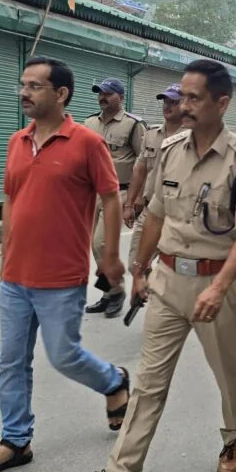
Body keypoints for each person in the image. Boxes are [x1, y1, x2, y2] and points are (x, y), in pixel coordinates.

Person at [62, 59, 236, 472]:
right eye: (183, 97)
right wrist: (139, 269)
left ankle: (235, 436)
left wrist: (220, 286)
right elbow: (155, 214)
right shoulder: (171, 150)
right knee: (150, 383)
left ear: (222, 103)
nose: (184, 106)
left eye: (195, 98)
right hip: (168, 280)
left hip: (216, 284)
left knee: (228, 373)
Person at [0, 57, 130, 472]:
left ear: (61, 94)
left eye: (35, 86)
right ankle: (15, 440)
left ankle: (113, 381)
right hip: (15, 276)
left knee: (63, 355)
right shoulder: (16, 141)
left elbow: (110, 198)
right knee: (11, 360)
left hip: (61, 276)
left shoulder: (87, 143)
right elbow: (10, 197)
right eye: (23, 84)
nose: (25, 92)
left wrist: (109, 257)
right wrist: (5, 251)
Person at [83, 78, 146, 317]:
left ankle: (116, 292)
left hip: (119, 191)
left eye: (108, 93)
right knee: (93, 246)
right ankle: (108, 293)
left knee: (101, 243)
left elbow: (144, 163)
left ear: (120, 97)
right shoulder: (89, 123)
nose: (102, 97)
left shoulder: (133, 125)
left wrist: (136, 198)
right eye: (100, 93)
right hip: (92, 192)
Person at [123, 84, 186, 268]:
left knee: (174, 271)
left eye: (174, 102)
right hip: (150, 210)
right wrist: (129, 204)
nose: (168, 106)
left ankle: (157, 295)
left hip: (180, 215)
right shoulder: (151, 134)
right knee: (137, 265)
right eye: (165, 101)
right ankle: (144, 295)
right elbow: (140, 169)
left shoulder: (194, 138)